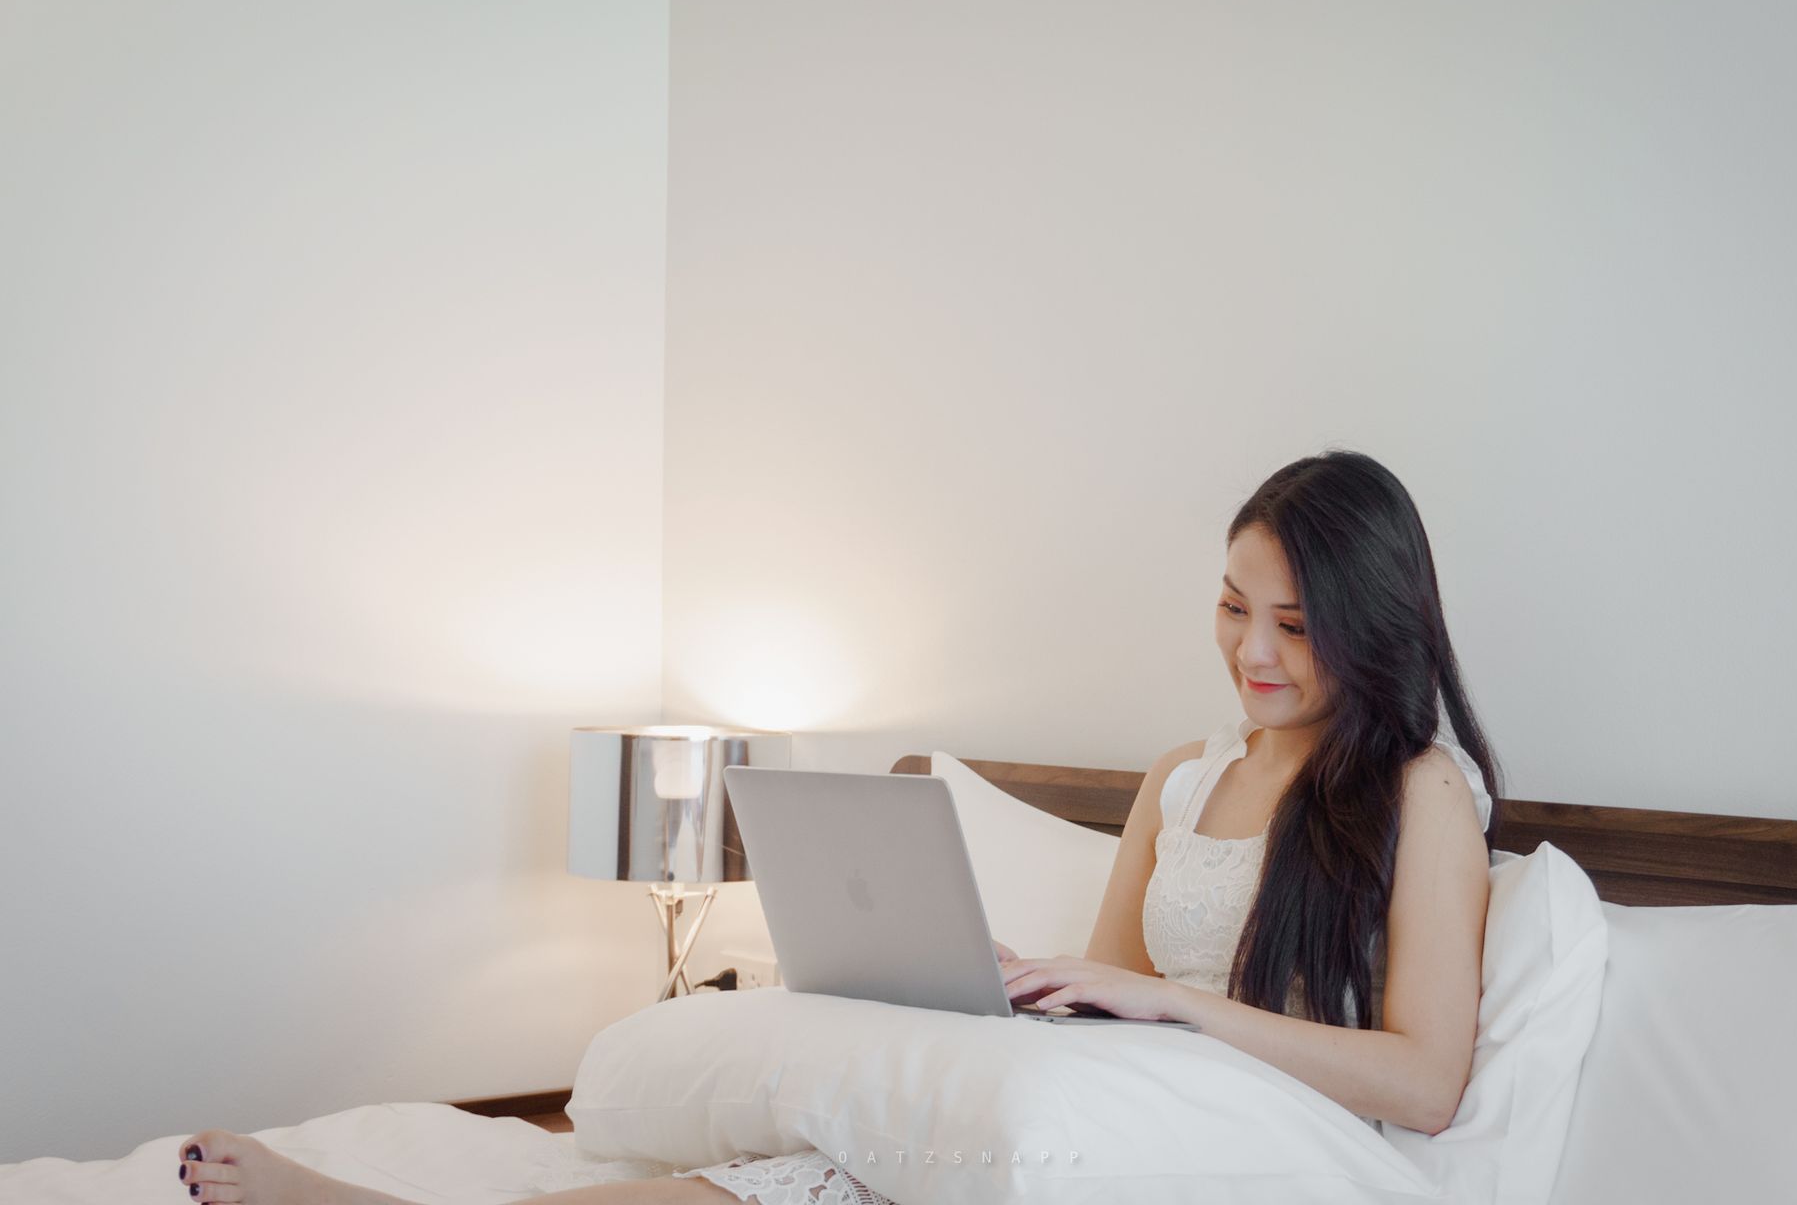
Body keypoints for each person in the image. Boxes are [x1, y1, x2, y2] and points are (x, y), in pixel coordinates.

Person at [170, 449, 1498, 1204]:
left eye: (1291, 624)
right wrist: (1034, 999)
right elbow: (1111, 1003)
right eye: (1229, 607)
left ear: (1367, 622)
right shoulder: (1181, 778)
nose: (1249, 653)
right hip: (1107, 1123)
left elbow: (1426, 1085)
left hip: (1275, 1154)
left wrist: (1171, 1011)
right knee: (819, 1174)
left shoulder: (1418, 793)